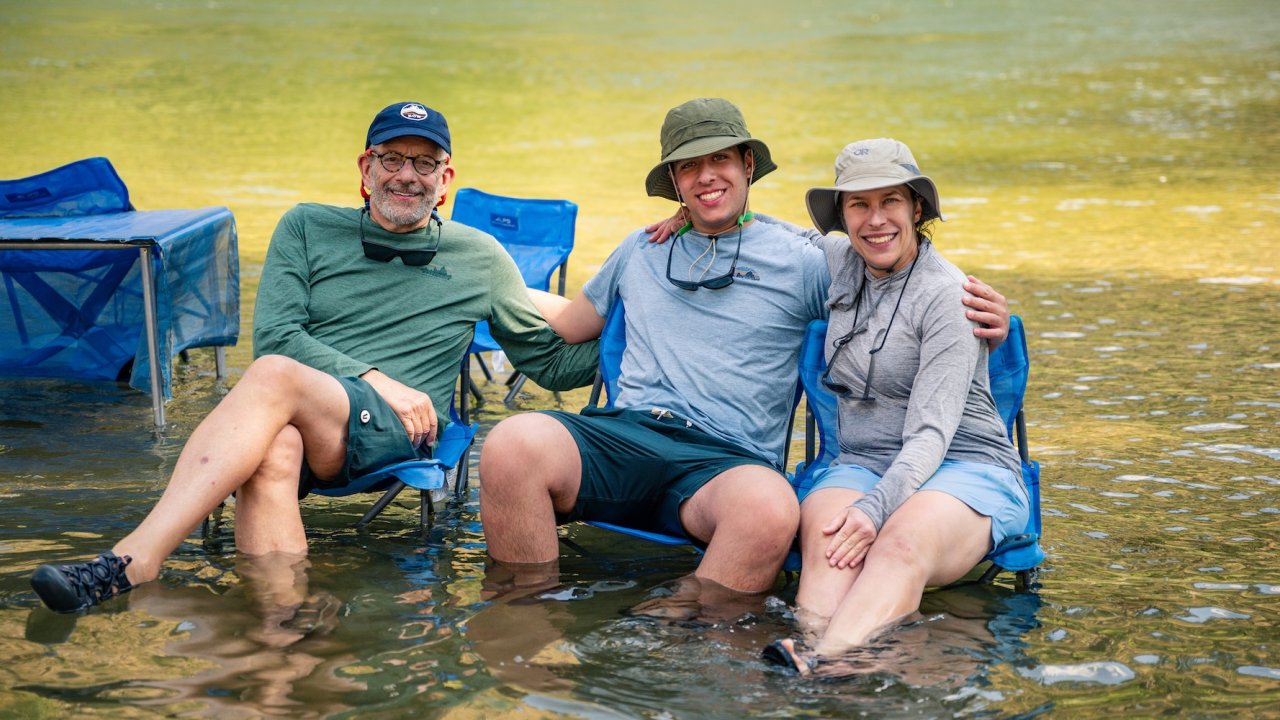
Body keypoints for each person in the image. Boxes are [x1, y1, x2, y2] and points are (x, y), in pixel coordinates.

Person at [29, 101, 600, 614]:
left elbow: (548, 364)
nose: (406, 174)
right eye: (392, 158)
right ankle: (285, 636)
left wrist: (637, 319)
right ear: (364, 168)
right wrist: (373, 376)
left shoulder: (479, 256)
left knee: (272, 377)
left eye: (424, 164)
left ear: (445, 179)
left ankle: (135, 558)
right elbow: (276, 334)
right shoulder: (306, 227)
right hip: (311, 419)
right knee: (275, 448)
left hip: (402, 428)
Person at [478, 99, 1011, 612]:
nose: (706, 176)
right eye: (690, 167)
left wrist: (990, 315)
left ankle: (672, 620)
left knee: (769, 510)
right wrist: (484, 284)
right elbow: (571, 321)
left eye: (720, 160)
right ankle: (529, 614)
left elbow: (899, 267)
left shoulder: (806, 262)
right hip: (628, 433)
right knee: (511, 443)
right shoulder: (641, 247)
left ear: (747, 165)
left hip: (727, 461)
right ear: (675, 183)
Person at [762, 139, 1030, 674]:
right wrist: (689, 214)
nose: (875, 219)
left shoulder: (950, 298)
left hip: (964, 465)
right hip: (860, 461)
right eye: (859, 204)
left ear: (917, 209)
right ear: (842, 216)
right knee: (829, 540)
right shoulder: (840, 262)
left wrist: (875, 508)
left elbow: (932, 434)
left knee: (897, 545)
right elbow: (775, 232)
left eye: (891, 201)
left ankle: (823, 665)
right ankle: (816, 659)